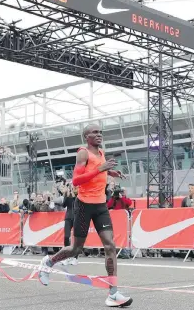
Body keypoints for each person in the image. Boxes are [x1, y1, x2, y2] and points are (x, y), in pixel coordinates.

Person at [38, 124, 132, 307]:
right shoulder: (83, 153)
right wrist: (100, 169)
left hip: (100, 206)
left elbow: (98, 169)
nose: (99, 135)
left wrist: (110, 171)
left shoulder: (101, 153)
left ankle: (113, 293)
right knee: (76, 249)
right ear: (86, 136)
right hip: (83, 205)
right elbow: (76, 180)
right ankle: (49, 262)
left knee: (110, 246)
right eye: (95, 133)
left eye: (100, 132)